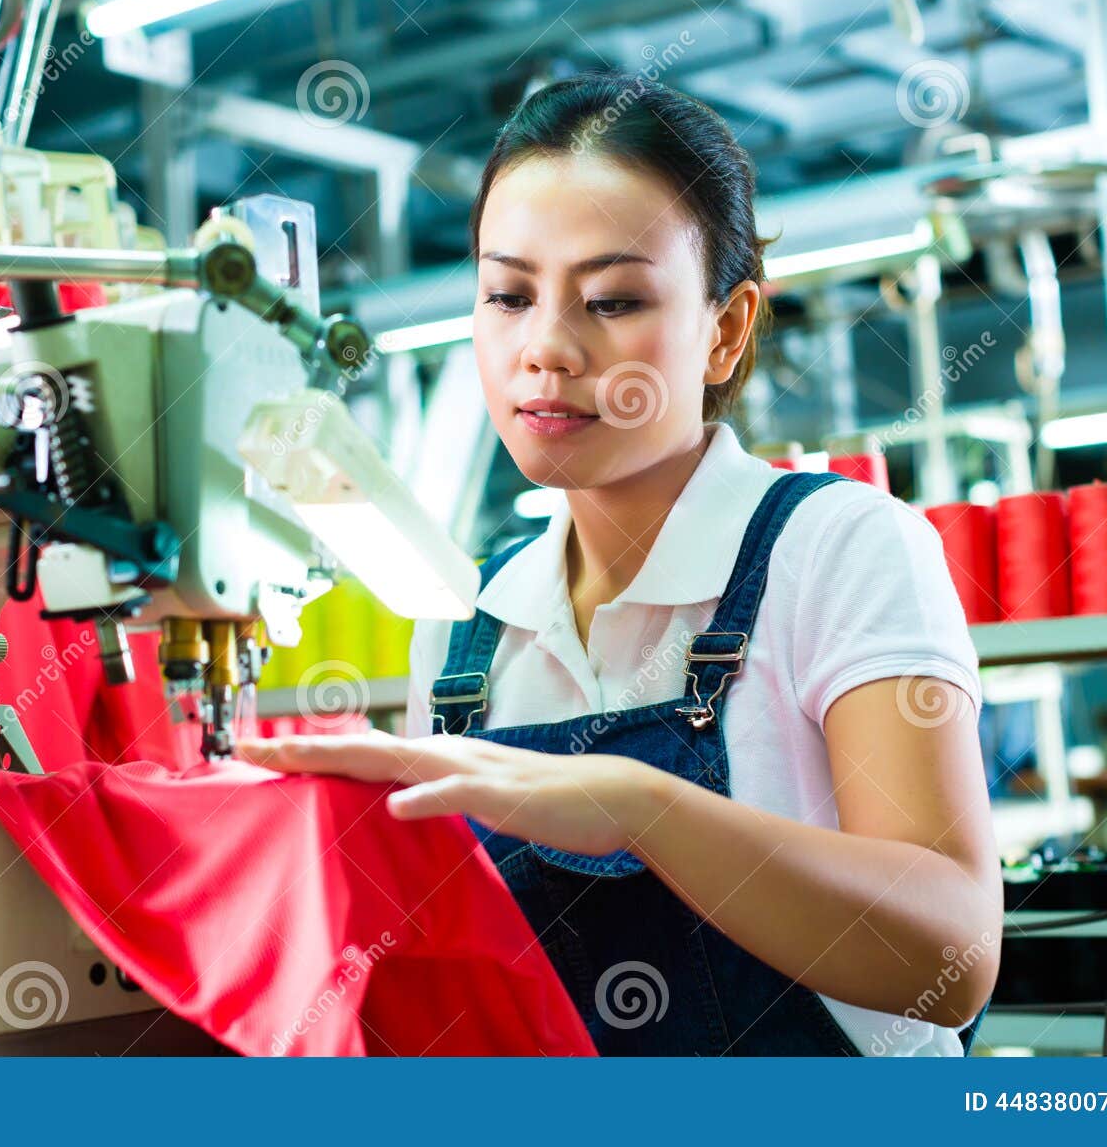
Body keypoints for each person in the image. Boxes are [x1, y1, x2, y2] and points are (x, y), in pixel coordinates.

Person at [241, 71, 1000, 1056]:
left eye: (611, 299)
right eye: (507, 294)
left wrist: (643, 808)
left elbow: (951, 954)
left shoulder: (840, 545)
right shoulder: (470, 621)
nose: (546, 347)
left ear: (725, 331)